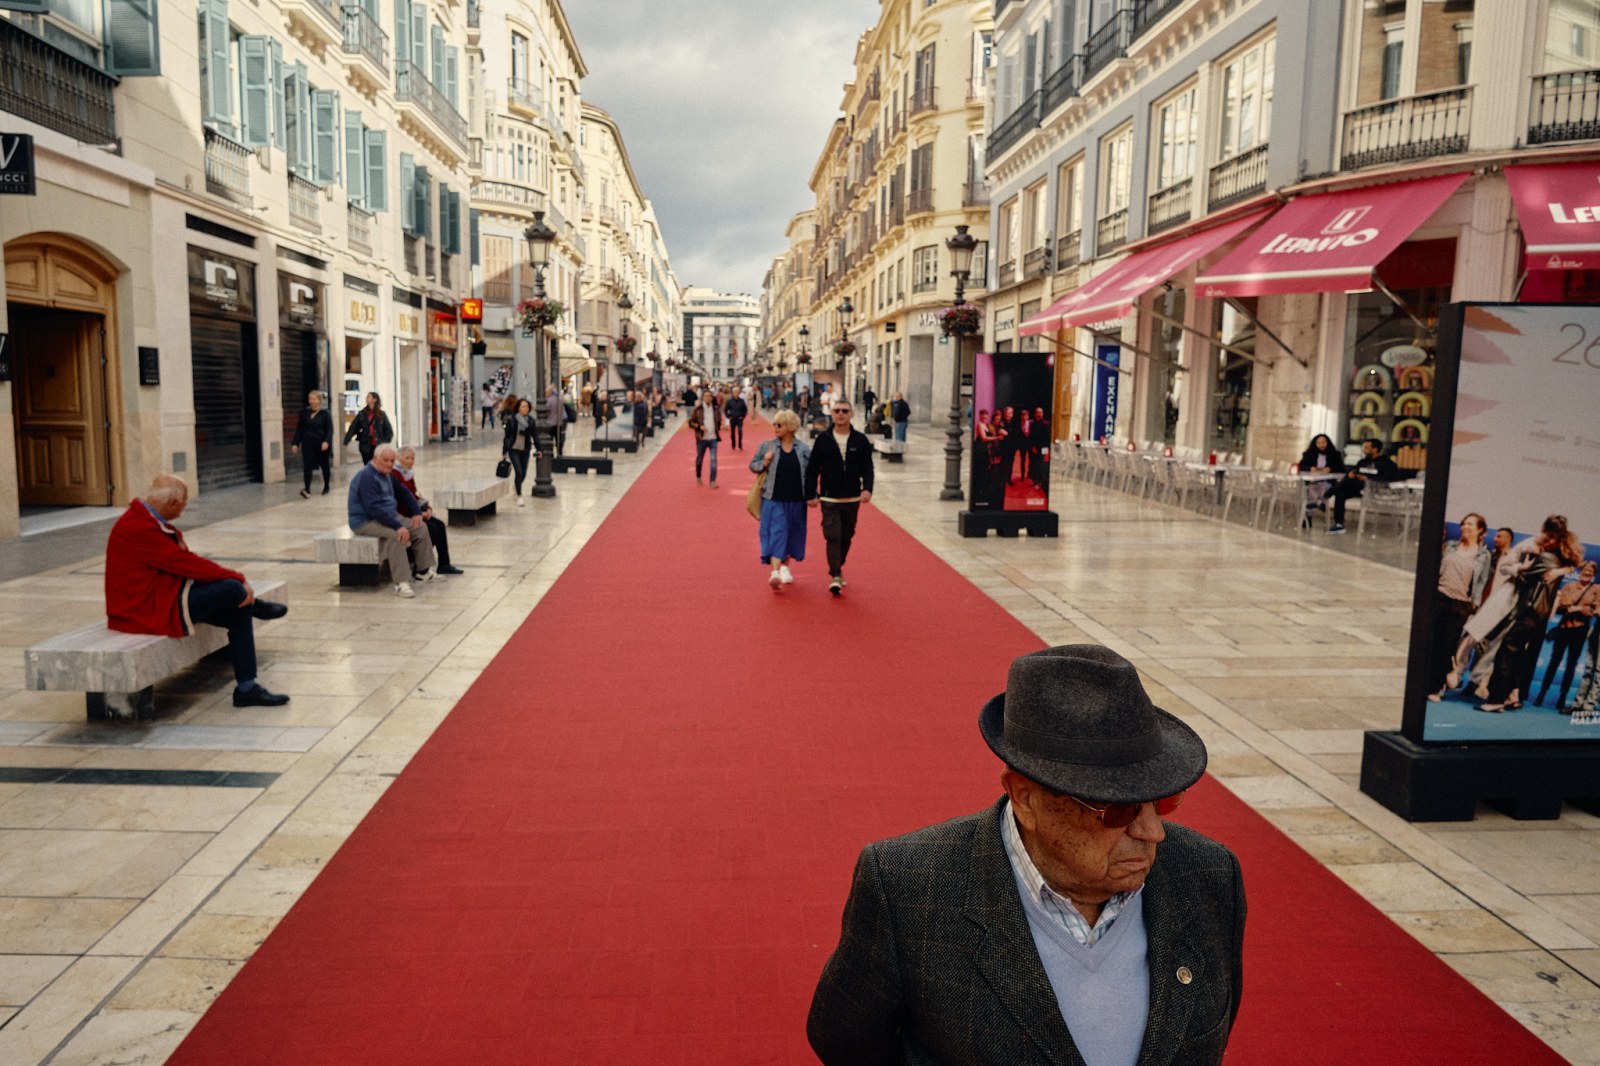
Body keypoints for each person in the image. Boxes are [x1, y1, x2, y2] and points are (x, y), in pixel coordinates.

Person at [808, 644, 1244, 1065]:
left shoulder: (1209, 875)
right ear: (1026, 799)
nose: (1153, 832)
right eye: (1118, 809)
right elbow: (847, 1044)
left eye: (1164, 800)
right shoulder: (908, 889)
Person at [105, 475, 290, 708]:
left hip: (161, 595)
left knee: (238, 606)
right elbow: (184, 563)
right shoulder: (138, 527)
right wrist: (239, 578)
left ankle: (247, 688)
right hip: (144, 609)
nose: (185, 508)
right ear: (172, 503)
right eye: (184, 503)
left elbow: (183, 565)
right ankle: (256, 606)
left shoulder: (145, 518)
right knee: (233, 589)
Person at [1482, 515, 1584, 712]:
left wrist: (1524, 566)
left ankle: (1496, 700)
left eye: (1548, 535)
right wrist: (1560, 570)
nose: (1545, 539)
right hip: (1539, 616)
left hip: (1528, 611)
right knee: (1518, 655)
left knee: (1508, 652)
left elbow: (1520, 576)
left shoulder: (1546, 557)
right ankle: (1513, 696)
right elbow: (1573, 564)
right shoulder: (1560, 559)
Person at [805, 398, 874, 597]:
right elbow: (813, 469)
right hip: (829, 498)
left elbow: (868, 468)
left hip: (852, 497)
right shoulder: (823, 439)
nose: (841, 414)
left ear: (851, 414)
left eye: (845, 410)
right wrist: (811, 493)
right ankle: (835, 575)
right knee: (833, 535)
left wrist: (867, 489)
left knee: (847, 535)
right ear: (832, 414)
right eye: (837, 411)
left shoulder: (860, 440)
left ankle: (838, 565)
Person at [348, 444, 437, 598]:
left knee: (420, 527)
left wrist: (416, 512)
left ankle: (423, 571)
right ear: (376, 459)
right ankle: (401, 582)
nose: (390, 464)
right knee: (396, 536)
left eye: (392, 461)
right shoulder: (367, 477)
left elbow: (405, 493)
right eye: (386, 460)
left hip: (389, 516)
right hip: (366, 521)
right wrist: (397, 526)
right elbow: (373, 509)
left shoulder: (388, 475)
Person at [1426, 514, 1492, 701]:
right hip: (1439, 596)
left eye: (1470, 524)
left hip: (1460, 604)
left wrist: (1474, 604)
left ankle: (1436, 687)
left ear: (1480, 530)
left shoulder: (1483, 555)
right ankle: (1425, 681)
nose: (1464, 527)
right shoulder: (1451, 546)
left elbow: (1482, 580)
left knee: (1446, 646)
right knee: (1431, 642)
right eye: (1463, 524)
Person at [751, 410, 812, 590]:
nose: (775, 427)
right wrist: (764, 463)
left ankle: (785, 567)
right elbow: (753, 465)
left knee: (792, 532)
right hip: (773, 499)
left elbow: (811, 474)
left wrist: (812, 494)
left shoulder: (803, 449)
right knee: (778, 531)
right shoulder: (767, 446)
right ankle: (775, 572)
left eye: (779, 425)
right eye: (774, 424)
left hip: (796, 500)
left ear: (790, 427)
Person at [391, 447, 464, 576]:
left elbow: (413, 496)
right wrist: (420, 514)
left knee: (439, 525)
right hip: (403, 514)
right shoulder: (395, 475)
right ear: (398, 458)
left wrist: (426, 507)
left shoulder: (407, 473)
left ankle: (444, 564)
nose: (411, 461)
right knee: (430, 529)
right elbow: (401, 501)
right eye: (407, 458)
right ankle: (419, 564)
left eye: (412, 458)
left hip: (414, 510)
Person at [1538, 560, 1599, 709]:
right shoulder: (1569, 586)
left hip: (1580, 630)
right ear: (1580, 572)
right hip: (1564, 628)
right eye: (1584, 570)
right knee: (1554, 662)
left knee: (1571, 665)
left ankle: (1562, 697)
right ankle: (1541, 694)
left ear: (1594, 575)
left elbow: (1594, 610)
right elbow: (1561, 606)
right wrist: (1580, 608)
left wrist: (1577, 608)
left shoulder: (1596, 589)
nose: (1586, 573)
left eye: (1590, 572)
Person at [1324, 438, 1399, 533]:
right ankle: (1339, 524)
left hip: (1374, 489)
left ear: (1375, 449)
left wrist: (1367, 478)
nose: (1364, 450)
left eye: (1367, 448)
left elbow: (1388, 479)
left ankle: (1326, 496)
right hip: (1357, 488)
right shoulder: (1363, 462)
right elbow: (1355, 471)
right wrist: (1351, 474)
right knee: (1341, 491)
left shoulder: (1387, 463)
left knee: (1346, 483)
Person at [290, 389, 334, 498]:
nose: (311, 401)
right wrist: (295, 443)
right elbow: (300, 429)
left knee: (324, 465)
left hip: (321, 444)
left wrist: (326, 441)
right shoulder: (304, 414)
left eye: (314, 399)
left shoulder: (325, 414)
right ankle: (307, 489)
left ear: (319, 400)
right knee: (307, 465)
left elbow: (329, 430)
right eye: (310, 399)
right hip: (308, 443)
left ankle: (326, 486)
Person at [501, 398, 539, 506]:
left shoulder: (530, 421)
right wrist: (504, 451)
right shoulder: (512, 419)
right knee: (518, 471)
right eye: (523, 406)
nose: (526, 409)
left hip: (525, 449)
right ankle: (519, 495)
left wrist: (539, 449)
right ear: (518, 408)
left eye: (527, 407)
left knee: (524, 473)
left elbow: (535, 436)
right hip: (513, 449)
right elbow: (507, 437)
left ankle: (516, 486)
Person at [342, 392, 393, 466]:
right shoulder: (362, 414)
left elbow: (389, 431)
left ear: (374, 399)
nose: (366, 398)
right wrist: (346, 440)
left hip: (378, 446)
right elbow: (353, 427)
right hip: (365, 446)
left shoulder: (381, 414)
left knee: (378, 466)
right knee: (368, 466)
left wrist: (384, 443)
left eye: (369, 397)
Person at [688, 385, 723, 487]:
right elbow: (690, 423)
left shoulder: (715, 409)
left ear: (712, 398)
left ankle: (712, 481)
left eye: (710, 396)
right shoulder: (698, 409)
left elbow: (718, 421)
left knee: (713, 460)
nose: (708, 398)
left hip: (713, 438)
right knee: (699, 459)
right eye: (706, 396)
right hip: (701, 438)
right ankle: (698, 476)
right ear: (703, 397)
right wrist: (699, 427)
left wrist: (718, 428)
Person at [1028, 406, 1052, 488]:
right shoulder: (1032, 424)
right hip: (1035, 447)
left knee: (1042, 465)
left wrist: (1047, 450)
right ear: (1035, 414)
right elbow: (1031, 437)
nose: (1039, 414)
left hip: (1043, 448)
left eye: (1040, 413)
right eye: (1037, 413)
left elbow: (1047, 437)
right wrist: (1033, 446)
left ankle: (1040, 482)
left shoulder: (1046, 424)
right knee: (1034, 464)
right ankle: (1035, 480)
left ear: (1042, 414)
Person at [547, 384, 567, 457]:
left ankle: (551, 454)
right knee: (558, 439)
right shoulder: (559, 400)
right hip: (559, 423)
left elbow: (547, 411)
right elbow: (561, 411)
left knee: (550, 439)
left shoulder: (548, 400)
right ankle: (559, 453)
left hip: (550, 423)